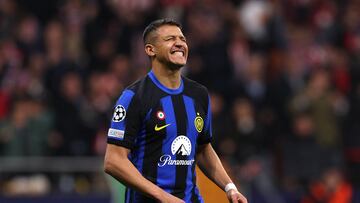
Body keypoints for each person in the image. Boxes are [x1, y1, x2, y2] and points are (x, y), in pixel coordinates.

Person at [103, 18, 247, 203]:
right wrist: (164, 198)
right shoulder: (134, 97)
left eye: (182, 39)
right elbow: (113, 161)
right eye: (170, 39)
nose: (179, 43)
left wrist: (230, 187)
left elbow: (203, 149)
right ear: (150, 50)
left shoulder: (199, 94)